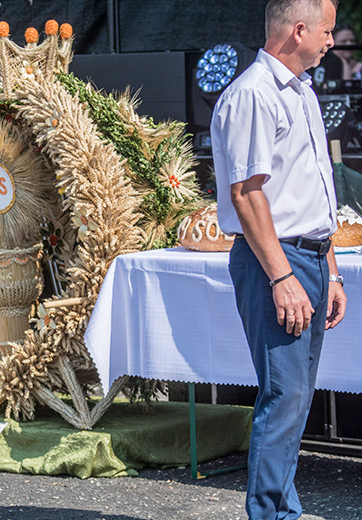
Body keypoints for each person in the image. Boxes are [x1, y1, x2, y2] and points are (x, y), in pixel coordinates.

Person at [210, 0, 346, 518]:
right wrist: (283, 276)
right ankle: (270, 514)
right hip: (278, 261)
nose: (332, 41)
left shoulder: (302, 92)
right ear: (298, 30)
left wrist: (328, 269)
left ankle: (280, 508)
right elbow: (247, 194)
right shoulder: (253, 94)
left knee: (295, 400)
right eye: (327, 31)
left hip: (307, 257)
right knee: (284, 396)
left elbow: (312, 194)